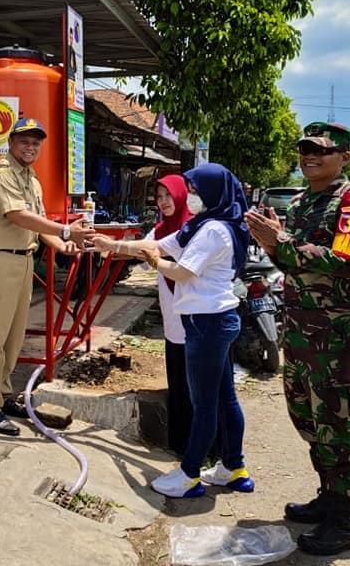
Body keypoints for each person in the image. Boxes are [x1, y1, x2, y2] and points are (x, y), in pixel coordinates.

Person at [244, 122, 350, 556]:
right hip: (298, 327)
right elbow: (292, 263)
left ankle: (347, 520)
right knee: (309, 420)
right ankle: (328, 496)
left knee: (337, 424)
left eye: (320, 150)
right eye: (304, 150)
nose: (309, 157)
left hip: (334, 333)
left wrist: (281, 241)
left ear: (344, 156)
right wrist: (275, 242)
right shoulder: (301, 203)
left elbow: (343, 259)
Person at [93, 164, 254, 498]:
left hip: (206, 323)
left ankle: (189, 474)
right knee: (224, 397)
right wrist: (111, 245)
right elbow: (160, 244)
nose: (190, 196)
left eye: (195, 190)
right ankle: (233, 468)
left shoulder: (213, 231)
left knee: (205, 403)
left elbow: (181, 271)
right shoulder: (205, 224)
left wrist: (153, 261)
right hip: (215, 319)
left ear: (212, 192)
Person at [0, 117, 94, 435]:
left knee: (13, 336)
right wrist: (67, 230)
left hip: (23, 260)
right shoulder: (0, 174)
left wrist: (63, 244)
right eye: (24, 141)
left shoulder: (31, 179)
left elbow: (35, 223)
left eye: (36, 142)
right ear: (10, 143)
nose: (31, 147)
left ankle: (3, 393)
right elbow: (17, 215)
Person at [149, 175, 194, 454]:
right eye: (159, 196)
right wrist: (104, 246)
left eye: (168, 195)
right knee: (177, 383)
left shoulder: (193, 229)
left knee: (195, 387)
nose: (164, 202)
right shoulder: (159, 230)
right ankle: (180, 445)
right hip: (172, 323)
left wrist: (155, 258)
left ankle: (201, 448)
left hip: (194, 320)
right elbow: (140, 250)